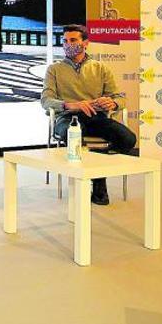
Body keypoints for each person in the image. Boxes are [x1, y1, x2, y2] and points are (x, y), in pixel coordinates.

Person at [40, 24, 136, 205]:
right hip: (68, 117)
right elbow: (46, 100)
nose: (68, 45)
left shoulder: (100, 68)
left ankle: (98, 175)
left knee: (128, 139)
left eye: (73, 40)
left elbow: (119, 97)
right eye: (65, 41)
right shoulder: (54, 69)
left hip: (97, 117)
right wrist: (71, 105)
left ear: (86, 43)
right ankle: (93, 184)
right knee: (75, 137)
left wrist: (113, 103)